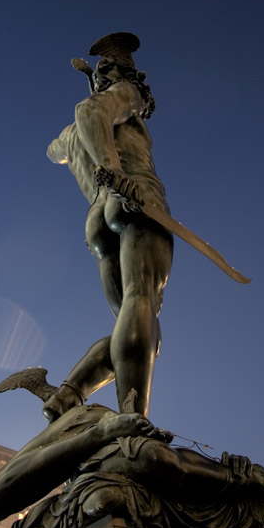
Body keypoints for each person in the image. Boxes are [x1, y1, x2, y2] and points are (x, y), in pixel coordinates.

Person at [0, 400, 264, 528]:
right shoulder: (71, 425)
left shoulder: (91, 408)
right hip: (100, 448)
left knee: (162, 460)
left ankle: (253, 478)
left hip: (116, 439)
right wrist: (101, 434)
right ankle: (249, 478)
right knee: (157, 463)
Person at [44, 32, 173, 420]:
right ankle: (134, 423)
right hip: (135, 198)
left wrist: (99, 164)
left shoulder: (70, 137)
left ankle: (67, 396)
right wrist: (113, 171)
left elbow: (55, 150)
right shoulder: (127, 95)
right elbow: (90, 112)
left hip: (98, 220)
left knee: (137, 328)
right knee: (142, 300)